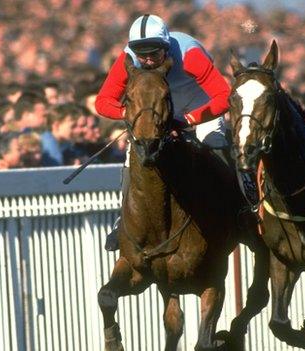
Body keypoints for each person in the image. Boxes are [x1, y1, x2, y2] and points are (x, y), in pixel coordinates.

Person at [95, 14, 231, 251]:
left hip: (200, 103)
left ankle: (238, 208)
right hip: (156, 107)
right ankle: (122, 219)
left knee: (214, 142)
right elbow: (103, 102)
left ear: (167, 48)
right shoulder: (127, 59)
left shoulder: (190, 56)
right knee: (133, 154)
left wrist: (188, 120)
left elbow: (224, 96)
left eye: (155, 54)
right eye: (142, 54)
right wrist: (135, 115)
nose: (147, 61)